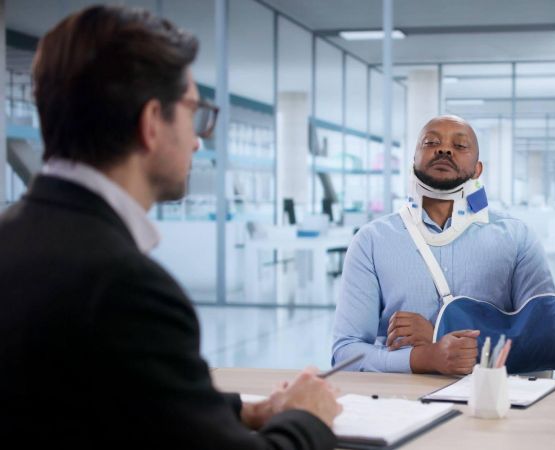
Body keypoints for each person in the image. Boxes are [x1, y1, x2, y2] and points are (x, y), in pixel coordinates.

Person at [0, 6, 340, 448]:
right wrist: (307, 418)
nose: (199, 139)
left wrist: (240, 410)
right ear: (151, 123)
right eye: (195, 113)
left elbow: (101, 393)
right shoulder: (125, 288)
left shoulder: (14, 237)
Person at [332, 115, 555, 375]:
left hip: (492, 401)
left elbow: (550, 341)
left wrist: (439, 333)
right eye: (431, 142)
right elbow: (345, 353)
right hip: (402, 403)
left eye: (459, 146)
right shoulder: (371, 241)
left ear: (478, 170)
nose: (444, 149)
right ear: (413, 160)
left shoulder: (517, 237)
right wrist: (425, 358)